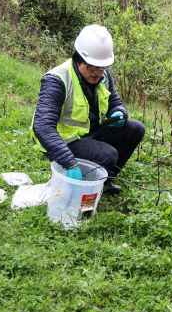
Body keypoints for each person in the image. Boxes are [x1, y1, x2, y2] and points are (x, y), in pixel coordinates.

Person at [30, 24, 145, 193]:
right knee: (108, 155)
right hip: (63, 141)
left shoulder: (103, 75)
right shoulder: (57, 80)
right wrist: (68, 161)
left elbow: (114, 101)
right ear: (78, 60)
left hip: (88, 132)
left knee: (136, 128)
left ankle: (103, 181)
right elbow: (42, 126)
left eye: (102, 67)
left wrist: (119, 112)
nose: (97, 73)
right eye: (91, 67)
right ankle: (82, 181)